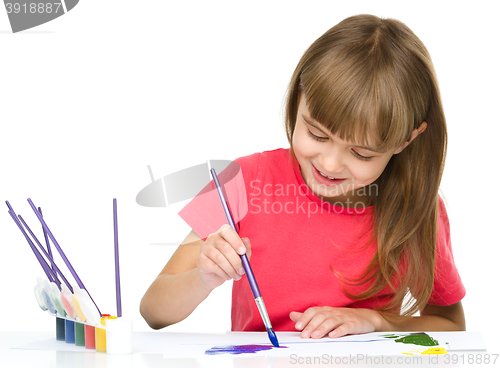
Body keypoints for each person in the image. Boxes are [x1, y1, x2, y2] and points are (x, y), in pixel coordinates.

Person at [140, 14, 466, 339]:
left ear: (406, 140)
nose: (330, 163)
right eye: (317, 134)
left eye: (361, 154)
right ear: (299, 98)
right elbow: (153, 311)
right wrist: (202, 277)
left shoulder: (419, 210)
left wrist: (376, 321)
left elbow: (452, 325)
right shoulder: (241, 181)